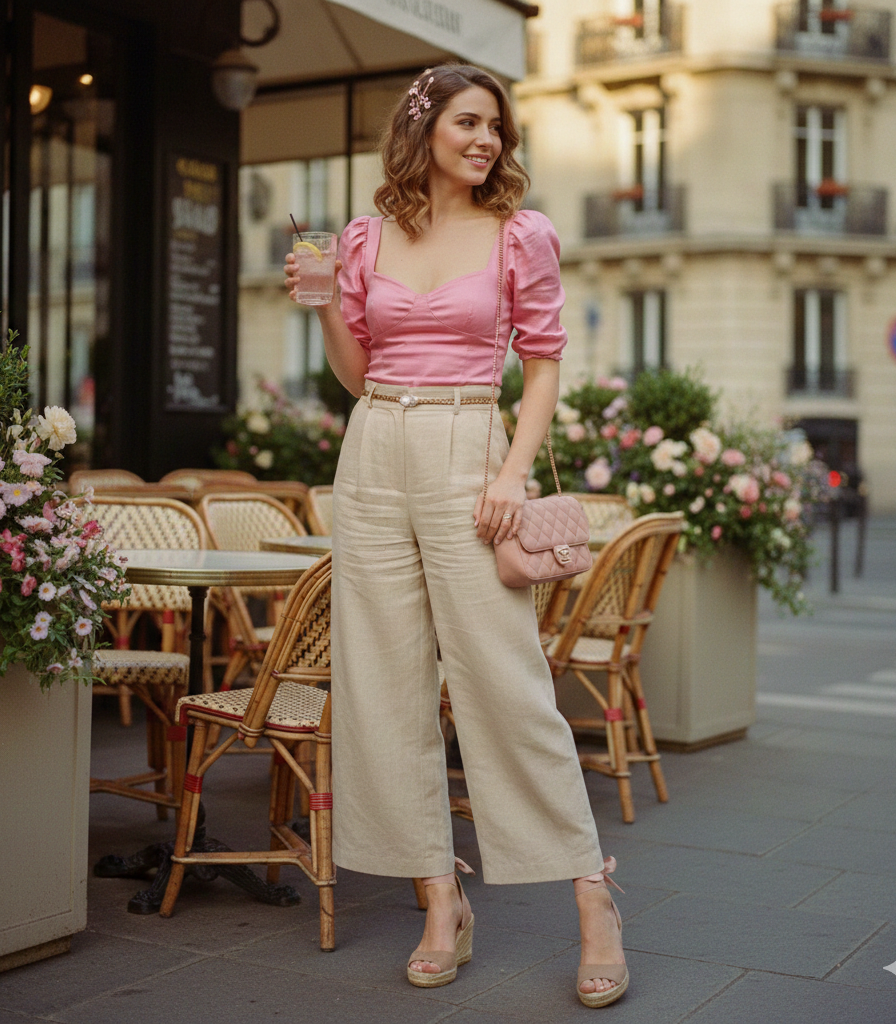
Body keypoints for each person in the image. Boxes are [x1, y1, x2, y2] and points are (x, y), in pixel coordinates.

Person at [284, 62, 627, 1009]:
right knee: (382, 685)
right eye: (470, 123)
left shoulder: (522, 235)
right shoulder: (363, 235)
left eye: (498, 130)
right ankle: (441, 901)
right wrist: (320, 305)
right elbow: (358, 375)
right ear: (423, 125)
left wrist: (510, 475)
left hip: (471, 444)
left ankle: (595, 899)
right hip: (375, 447)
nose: (487, 141)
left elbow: (545, 368)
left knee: (506, 682)